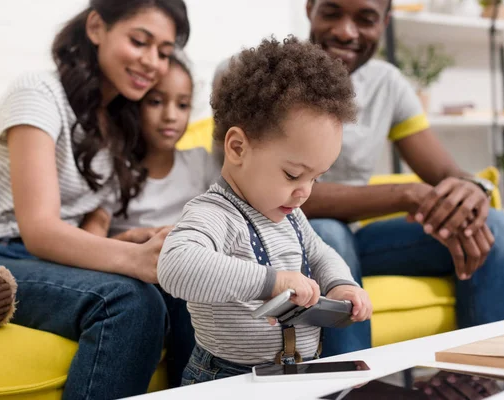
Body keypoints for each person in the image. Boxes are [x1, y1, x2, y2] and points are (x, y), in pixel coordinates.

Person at [0, 0, 191, 398]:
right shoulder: (38, 92)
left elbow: (94, 214)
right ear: (96, 27)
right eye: (140, 42)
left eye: (164, 52)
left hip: (45, 254)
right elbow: (39, 229)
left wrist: (114, 245)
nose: (152, 62)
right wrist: (132, 261)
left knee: (184, 286)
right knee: (129, 302)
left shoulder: (120, 119)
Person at [300, 0, 504, 357]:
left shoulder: (386, 83)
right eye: (331, 12)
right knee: (328, 231)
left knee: (491, 225)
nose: (346, 31)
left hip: (356, 242)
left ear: (385, 22)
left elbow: (447, 173)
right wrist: (407, 194)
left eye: (366, 19)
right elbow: (291, 199)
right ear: (310, 8)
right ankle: (348, 390)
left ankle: (492, 378)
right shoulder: (269, 71)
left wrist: (473, 189)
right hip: (282, 245)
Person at [158, 37, 373, 385]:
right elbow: (175, 266)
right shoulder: (214, 213)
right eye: (292, 174)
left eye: (316, 178)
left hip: (297, 370)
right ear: (238, 147)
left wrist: (341, 286)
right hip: (227, 378)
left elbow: (321, 255)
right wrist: (271, 282)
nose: (304, 191)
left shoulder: (290, 214)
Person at [81, 55, 220, 386]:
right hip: (141, 278)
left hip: (193, 271)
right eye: (156, 102)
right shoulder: (116, 170)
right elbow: (89, 245)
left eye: (183, 105)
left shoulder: (200, 163)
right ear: (134, 106)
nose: (171, 115)